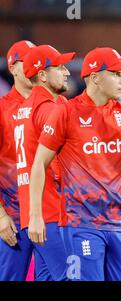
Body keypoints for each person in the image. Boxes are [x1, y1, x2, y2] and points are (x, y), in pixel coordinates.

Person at [30, 47, 121, 281]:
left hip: (119, 224)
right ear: (95, 78)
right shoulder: (66, 112)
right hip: (80, 223)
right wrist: (36, 216)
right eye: (116, 74)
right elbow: (39, 163)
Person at [16, 44, 75, 281]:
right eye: (60, 67)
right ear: (42, 75)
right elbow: (59, 166)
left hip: (33, 213)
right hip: (52, 213)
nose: (67, 72)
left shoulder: (24, 108)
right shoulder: (49, 109)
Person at [0, 40, 35, 281]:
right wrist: (0, 217)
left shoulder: (56, 106)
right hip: (13, 219)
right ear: (12, 68)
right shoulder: (1, 110)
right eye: (27, 61)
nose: (35, 65)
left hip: (52, 220)